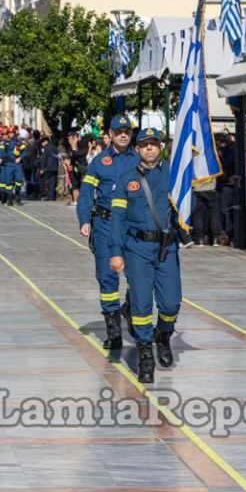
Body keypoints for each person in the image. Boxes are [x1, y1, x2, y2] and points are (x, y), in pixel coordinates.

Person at [110, 127, 181, 383]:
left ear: (161, 146)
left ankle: (163, 336)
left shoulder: (174, 174)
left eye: (154, 144)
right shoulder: (126, 178)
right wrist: (115, 252)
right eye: (145, 144)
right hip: (137, 249)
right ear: (137, 149)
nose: (150, 148)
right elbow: (116, 219)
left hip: (167, 248)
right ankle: (145, 353)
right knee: (140, 306)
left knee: (171, 303)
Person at [77, 115, 139, 350]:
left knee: (137, 274)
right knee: (107, 276)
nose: (123, 134)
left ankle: (132, 308)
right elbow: (86, 193)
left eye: (127, 131)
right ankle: (113, 329)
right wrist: (84, 219)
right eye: (119, 131)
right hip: (105, 224)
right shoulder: (99, 162)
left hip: (132, 225)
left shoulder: (140, 159)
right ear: (110, 135)